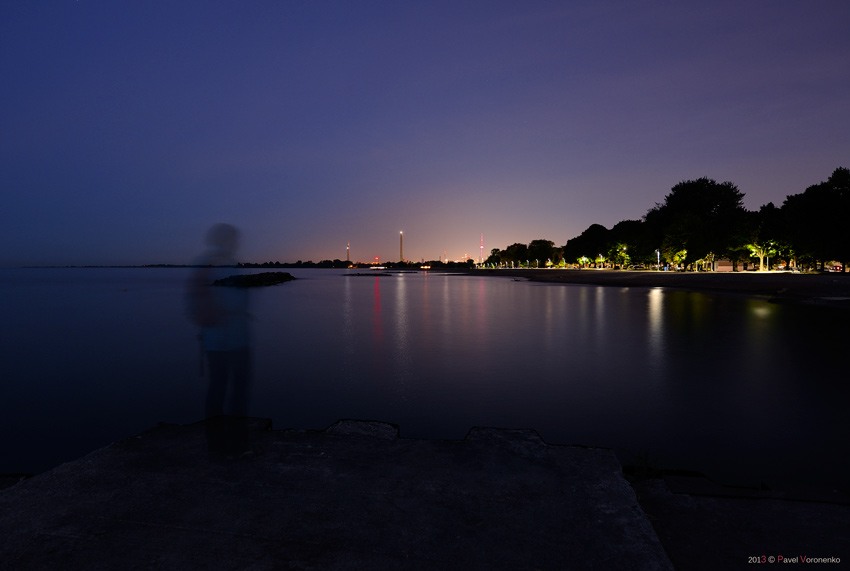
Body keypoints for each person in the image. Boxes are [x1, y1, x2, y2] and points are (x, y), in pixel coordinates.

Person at [186, 223, 252, 457]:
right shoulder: (225, 264)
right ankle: (238, 444)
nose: (236, 243)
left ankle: (215, 443)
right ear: (227, 240)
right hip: (234, 338)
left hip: (212, 340)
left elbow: (191, 304)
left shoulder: (202, 263)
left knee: (217, 389)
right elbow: (235, 301)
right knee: (238, 391)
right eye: (234, 238)